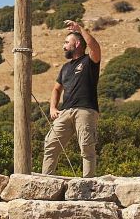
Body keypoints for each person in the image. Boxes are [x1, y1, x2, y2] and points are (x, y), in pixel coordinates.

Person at [42, 20, 102, 176]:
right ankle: (46, 180)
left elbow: (95, 47)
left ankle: (88, 184)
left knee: (87, 147)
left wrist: (80, 29)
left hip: (85, 110)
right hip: (65, 112)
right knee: (50, 145)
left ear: (77, 44)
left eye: (67, 42)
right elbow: (56, 89)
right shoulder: (65, 67)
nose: (64, 46)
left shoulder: (89, 61)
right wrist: (53, 108)